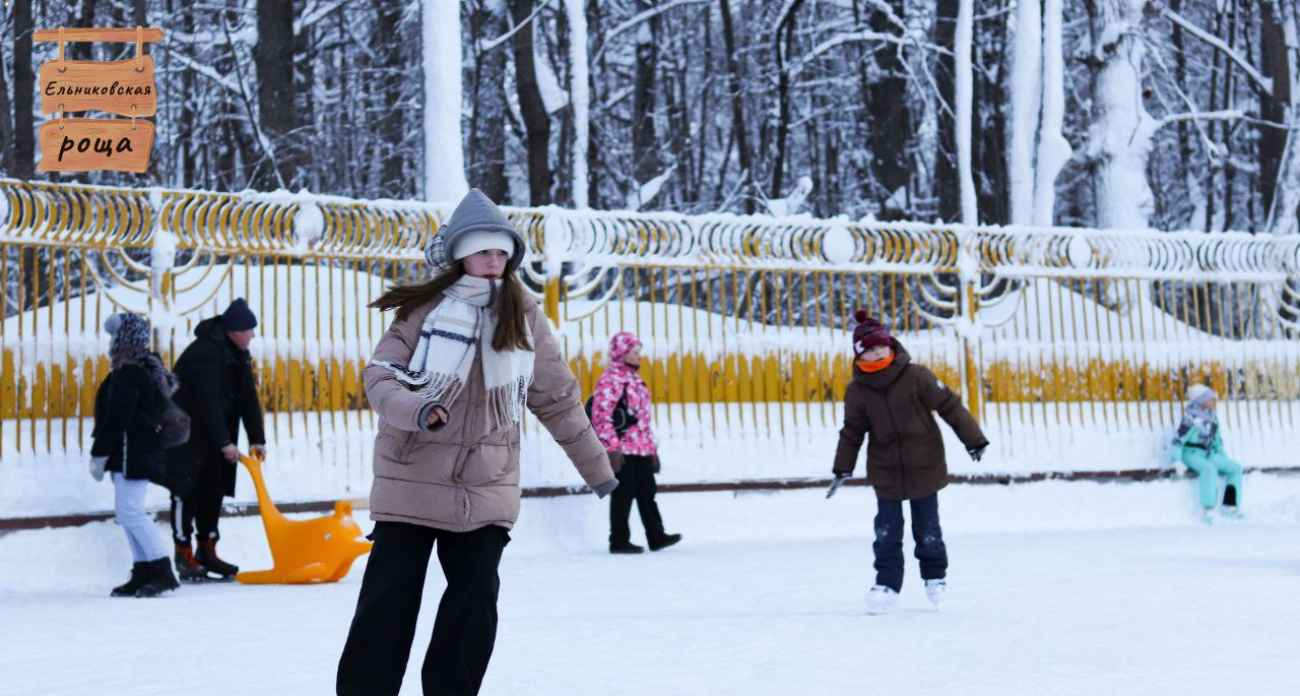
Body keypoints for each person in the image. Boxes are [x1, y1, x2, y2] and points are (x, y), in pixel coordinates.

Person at [336, 189, 618, 696]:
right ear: (460, 254)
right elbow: (381, 379)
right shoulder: (422, 310)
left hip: (486, 486)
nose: (494, 262)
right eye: (484, 251)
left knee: (475, 600)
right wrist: (420, 410)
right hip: (410, 482)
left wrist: (598, 468)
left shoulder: (523, 314)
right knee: (389, 602)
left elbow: (556, 398)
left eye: (501, 252)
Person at [829, 311, 988, 615]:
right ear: (860, 353)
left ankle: (934, 576)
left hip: (924, 462)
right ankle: (886, 583)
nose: (878, 351)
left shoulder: (915, 375)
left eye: (882, 345)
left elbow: (948, 405)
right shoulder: (858, 391)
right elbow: (852, 433)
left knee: (927, 526)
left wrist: (974, 439)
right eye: (871, 347)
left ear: (890, 345)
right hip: (885, 468)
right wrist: (842, 468)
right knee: (887, 530)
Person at [166, 298, 267, 581]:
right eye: (250, 329)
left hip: (214, 435)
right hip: (187, 436)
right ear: (235, 330)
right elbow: (207, 400)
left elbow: (248, 397)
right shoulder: (204, 353)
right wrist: (225, 442)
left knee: (213, 490)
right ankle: (183, 553)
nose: (253, 335)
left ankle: (207, 550)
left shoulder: (237, 353)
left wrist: (257, 439)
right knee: (186, 493)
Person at [89, 313, 182, 598]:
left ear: (123, 340)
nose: (110, 343)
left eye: (114, 337)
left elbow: (118, 417)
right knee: (126, 513)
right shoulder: (133, 370)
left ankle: (163, 570)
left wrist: (99, 453)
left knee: (130, 512)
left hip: (133, 452)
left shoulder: (129, 373)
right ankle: (143, 571)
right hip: (131, 452)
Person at [591, 331, 682, 554]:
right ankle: (619, 541)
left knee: (647, 492)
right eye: (634, 352)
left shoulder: (635, 380)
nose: (639, 356)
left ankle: (656, 536)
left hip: (641, 448)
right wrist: (611, 449)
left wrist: (652, 450)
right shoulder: (611, 379)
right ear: (621, 353)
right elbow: (601, 415)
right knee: (623, 494)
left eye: (639, 352)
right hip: (622, 448)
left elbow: (643, 419)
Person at [1170, 385, 1243, 522]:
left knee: (1235, 468)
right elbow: (1177, 440)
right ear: (1200, 400)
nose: (1212, 402)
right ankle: (1209, 509)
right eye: (1209, 399)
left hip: (1208, 453)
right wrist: (1176, 460)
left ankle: (1230, 506)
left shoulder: (1212, 418)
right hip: (1191, 454)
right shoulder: (1190, 419)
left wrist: (1224, 460)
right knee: (1209, 469)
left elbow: (1217, 442)